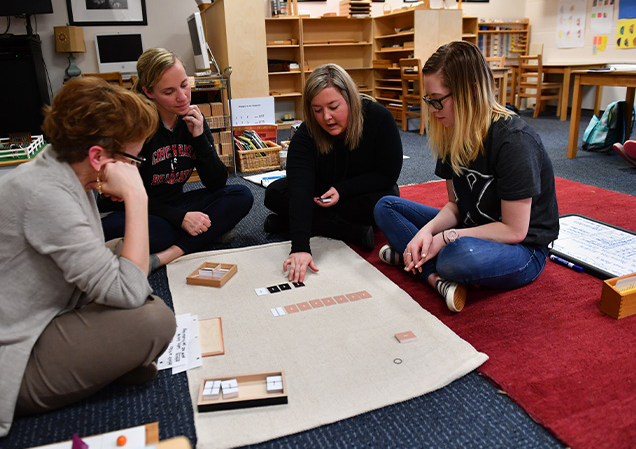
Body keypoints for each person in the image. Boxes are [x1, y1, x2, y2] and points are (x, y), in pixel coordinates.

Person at [0, 77, 177, 437]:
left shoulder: (60, 169)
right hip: (16, 354)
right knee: (155, 320)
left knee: (123, 256)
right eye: (132, 159)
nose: (135, 169)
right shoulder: (46, 195)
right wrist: (137, 197)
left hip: (49, 310)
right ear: (98, 156)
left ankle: (114, 358)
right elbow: (130, 293)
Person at [374, 41, 559, 313]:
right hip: (472, 226)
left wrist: (445, 238)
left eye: (438, 100)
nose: (433, 109)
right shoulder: (452, 131)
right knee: (385, 206)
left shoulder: (514, 141)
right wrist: (427, 232)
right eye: (429, 100)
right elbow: (456, 206)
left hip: (523, 249)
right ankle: (434, 277)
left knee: (455, 257)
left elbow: (514, 230)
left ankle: (413, 258)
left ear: (470, 92)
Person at [99, 48, 253, 270]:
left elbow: (217, 182)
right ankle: (207, 232)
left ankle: (164, 256)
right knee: (158, 232)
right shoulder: (134, 125)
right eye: (169, 91)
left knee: (242, 195)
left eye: (184, 85)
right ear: (149, 92)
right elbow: (125, 195)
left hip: (172, 204)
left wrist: (199, 137)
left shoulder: (192, 118)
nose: (182, 97)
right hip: (130, 210)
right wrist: (180, 218)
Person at [264, 63, 403, 283]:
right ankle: (347, 231)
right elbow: (300, 189)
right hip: (319, 194)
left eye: (333, 107)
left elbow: (387, 174)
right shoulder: (306, 134)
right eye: (317, 110)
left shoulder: (379, 118)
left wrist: (343, 189)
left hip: (359, 191)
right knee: (274, 193)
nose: (326, 117)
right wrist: (300, 247)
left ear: (350, 99)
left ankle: (288, 223)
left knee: (386, 203)